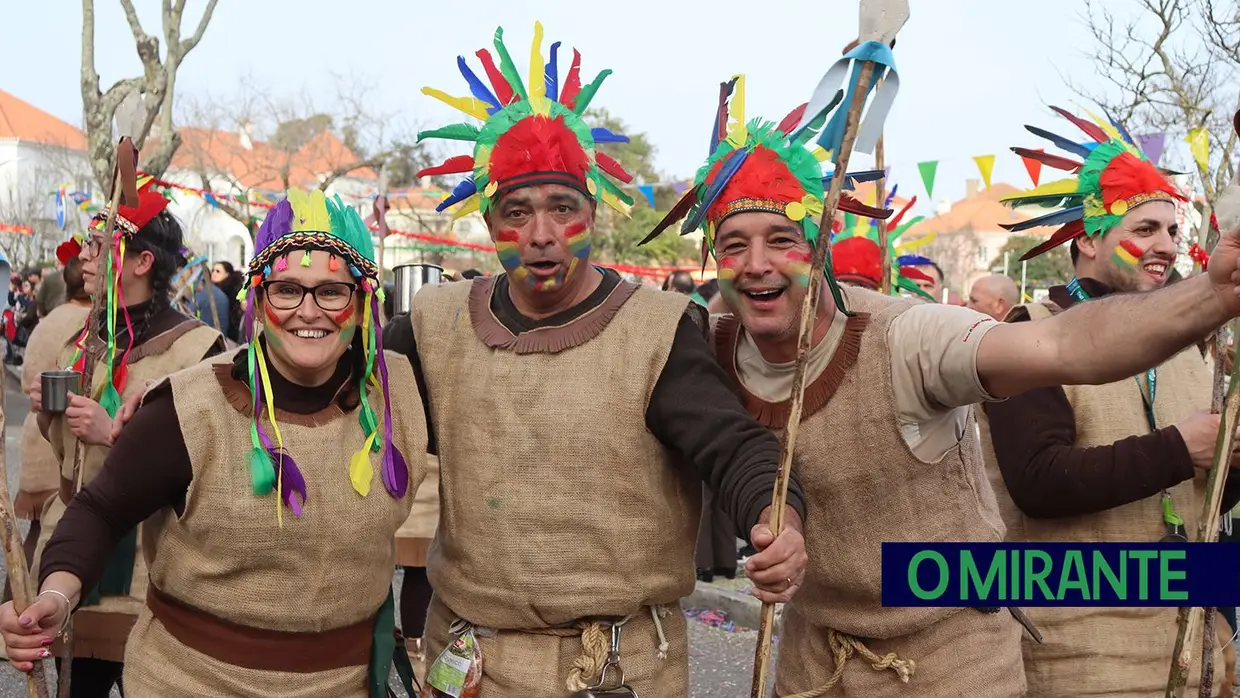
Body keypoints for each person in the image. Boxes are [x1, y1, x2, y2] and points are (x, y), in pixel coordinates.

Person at [642, 81, 1240, 698]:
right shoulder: (705, 352)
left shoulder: (909, 338)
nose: (756, 263)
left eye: (783, 240)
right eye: (734, 245)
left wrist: (1210, 297)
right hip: (816, 662)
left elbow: (1064, 348)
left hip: (953, 662)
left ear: (817, 246)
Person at [386, 26, 807, 696]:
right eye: (517, 212)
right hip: (469, 665)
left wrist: (777, 519)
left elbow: (735, 447)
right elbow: (353, 406)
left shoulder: (655, 330)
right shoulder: (434, 324)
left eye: (562, 208)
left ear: (592, 213)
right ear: (491, 227)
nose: (542, 233)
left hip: (616, 671)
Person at [3, 188, 428, 697]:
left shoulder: (399, 392)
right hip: (192, 684)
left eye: (332, 292)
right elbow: (100, 510)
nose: (308, 311)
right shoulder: (186, 408)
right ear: (257, 297)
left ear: (361, 303)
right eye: (287, 289)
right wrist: (56, 595)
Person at [979, 107, 1240, 697]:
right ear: (1091, 238)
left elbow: (1202, 493)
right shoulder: (1029, 334)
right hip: (1077, 658)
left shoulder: (1188, 351)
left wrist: (1228, 457)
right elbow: (1038, 481)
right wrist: (1181, 447)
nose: (1166, 247)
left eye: (1172, 232)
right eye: (1144, 230)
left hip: (1191, 647)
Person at [15, 185, 227, 696]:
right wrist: (53, 419)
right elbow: (67, 458)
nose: (84, 256)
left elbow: (213, 464)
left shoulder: (201, 350)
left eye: (99, 244)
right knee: (78, 684)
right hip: (77, 548)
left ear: (142, 262)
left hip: (151, 564)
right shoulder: (84, 338)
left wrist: (113, 436)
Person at [3, 254, 91, 606]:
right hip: (56, 436)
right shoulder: (89, 322)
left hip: (34, 432)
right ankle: (25, 615)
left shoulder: (50, 318)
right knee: (52, 536)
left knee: (33, 535)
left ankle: (12, 611)